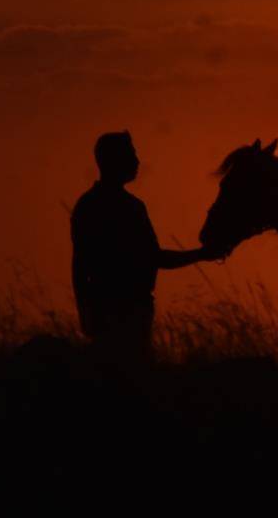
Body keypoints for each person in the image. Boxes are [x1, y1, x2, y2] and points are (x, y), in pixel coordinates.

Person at [71, 130, 215, 365]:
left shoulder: (88, 205)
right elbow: (155, 258)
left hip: (108, 309)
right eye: (131, 155)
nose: (137, 161)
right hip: (128, 310)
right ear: (114, 160)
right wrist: (201, 255)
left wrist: (84, 309)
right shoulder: (130, 208)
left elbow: (79, 265)